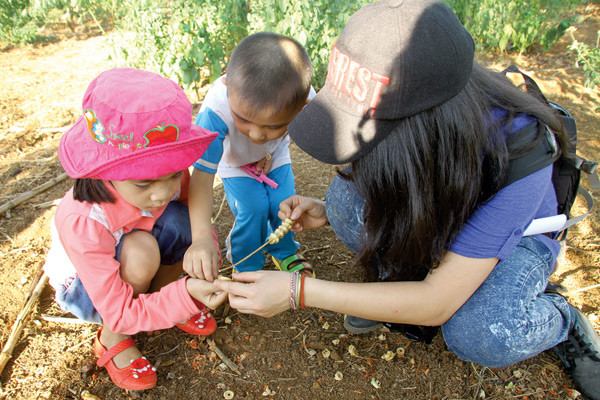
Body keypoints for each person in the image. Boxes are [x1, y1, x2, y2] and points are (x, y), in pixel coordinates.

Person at [213, 1, 600, 399]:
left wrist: (298, 291)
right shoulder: (421, 125)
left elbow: (438, 303)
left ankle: (561, 319)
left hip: (517, 240)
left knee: (479, 332)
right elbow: (404, 184)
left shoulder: (521, 152)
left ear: (417, 133)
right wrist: (329, 213)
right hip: (446, 211)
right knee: (344, 201)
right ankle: (393, 295)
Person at [43, 68, 228, 391]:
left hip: (132, 251)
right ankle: (113, 336)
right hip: (88, 291)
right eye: (144, 182)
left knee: (182, 222)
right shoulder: (83, 220)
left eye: (173, 174)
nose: (162, 191)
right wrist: (185, 294)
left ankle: (161, 299)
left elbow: (191, 217)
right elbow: (118, 309)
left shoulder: (164, 179)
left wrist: (205, 243)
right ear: (105, 171)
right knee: (141, 253)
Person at [185, 31, 316, 280]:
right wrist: (201, 237)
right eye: (243, 119)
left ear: (301, 108)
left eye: (274, 126)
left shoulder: (304, 97)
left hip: (275, 155)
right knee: (252, 208)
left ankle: (284, 251)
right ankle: (247, 264)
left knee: (284, 203)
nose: (256, 134)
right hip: (235, 163)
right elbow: (201, 177)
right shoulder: (215, 111)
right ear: (227, 85)